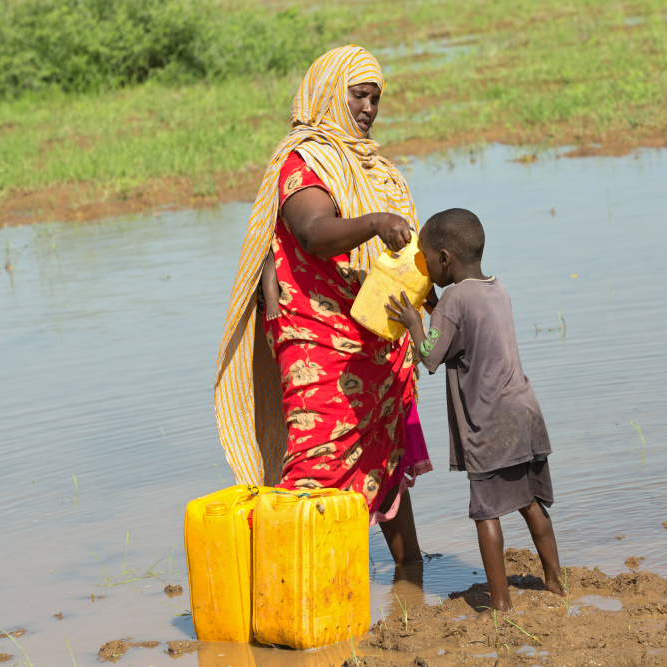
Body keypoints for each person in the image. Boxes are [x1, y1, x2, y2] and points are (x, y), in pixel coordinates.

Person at [215, 45, 432, 564]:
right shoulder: (303, 160)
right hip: (316, 337)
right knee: (318, 459)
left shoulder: (370, 162)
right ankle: (287, 581)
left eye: (375, 99)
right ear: (332, 93)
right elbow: (313, 233)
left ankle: (409, 571)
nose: (368, 109)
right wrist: (377, 222)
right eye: (359, 96)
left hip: (374, 335)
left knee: (383, 451)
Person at [386, 208, 567, 610]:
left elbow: (430, 355)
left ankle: (500, 604)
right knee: (528, 501)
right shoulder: (494, 288)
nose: (424, 264)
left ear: (445, 258)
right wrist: (435, 308)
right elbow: (464, 333)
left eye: (426, 257)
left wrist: (415, 321)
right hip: (524, 414)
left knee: (486, 513)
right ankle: (555, 581)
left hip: (489, 423)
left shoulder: (452, 299)